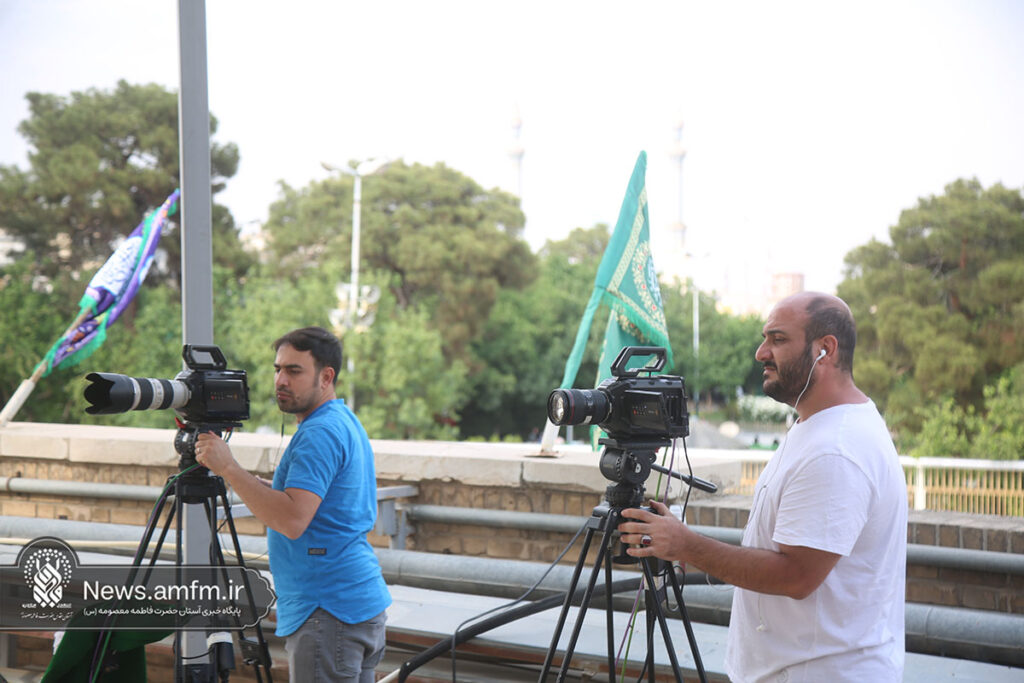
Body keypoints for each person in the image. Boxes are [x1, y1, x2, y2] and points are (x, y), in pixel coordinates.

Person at [620, 292, 907, 682]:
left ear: (825, 350)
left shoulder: (836, 450)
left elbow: (796, 576)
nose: (760, 353)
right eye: (764, 338)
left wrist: (684, 545)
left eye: (778, 339)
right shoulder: (818, 425)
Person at [195, 326, 391, 682]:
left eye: (294, 371)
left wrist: (228, 468)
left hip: (327, 611)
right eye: (278, 369)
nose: (281, 380)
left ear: (326, 377)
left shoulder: (319, 433)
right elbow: (313, 503)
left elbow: (292, 520)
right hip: (353, 603)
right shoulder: (340, 420)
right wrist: (259, 485)